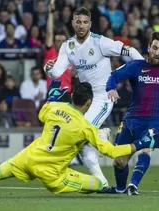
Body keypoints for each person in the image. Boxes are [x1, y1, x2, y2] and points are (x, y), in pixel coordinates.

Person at [0, 81, 159, 199]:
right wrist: (140, 144)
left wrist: (52, 95)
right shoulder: (85, 127)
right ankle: (98, 188)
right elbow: (113, 152)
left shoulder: (54, 108)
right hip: (52, 174)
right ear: (88, 103)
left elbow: (43, 110)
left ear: (72, 97)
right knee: (97, 186)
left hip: (29, 156)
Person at [44, 6, 144, 187]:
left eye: (85, 22)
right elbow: (57, 71)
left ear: (90, 24)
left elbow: (127, 51)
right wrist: (48, 68)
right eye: (78, 22)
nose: (81, 26)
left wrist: (143, 67)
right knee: (83, 144)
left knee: (81, 134)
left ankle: (101, 136)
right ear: (73, 23)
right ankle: (103, 184)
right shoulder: (68, 46)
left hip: (104, 97)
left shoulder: (100, 42)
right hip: (86, 101)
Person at [101, 32, 159, 195]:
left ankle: (133, 185)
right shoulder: (136, 66)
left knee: (146, 149)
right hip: (131, 120)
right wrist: (111, 88)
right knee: (119, 161)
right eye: (155, 48)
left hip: (155, 120)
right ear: (149, 47)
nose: (157, 52)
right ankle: (121, 189)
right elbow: (114, 75)